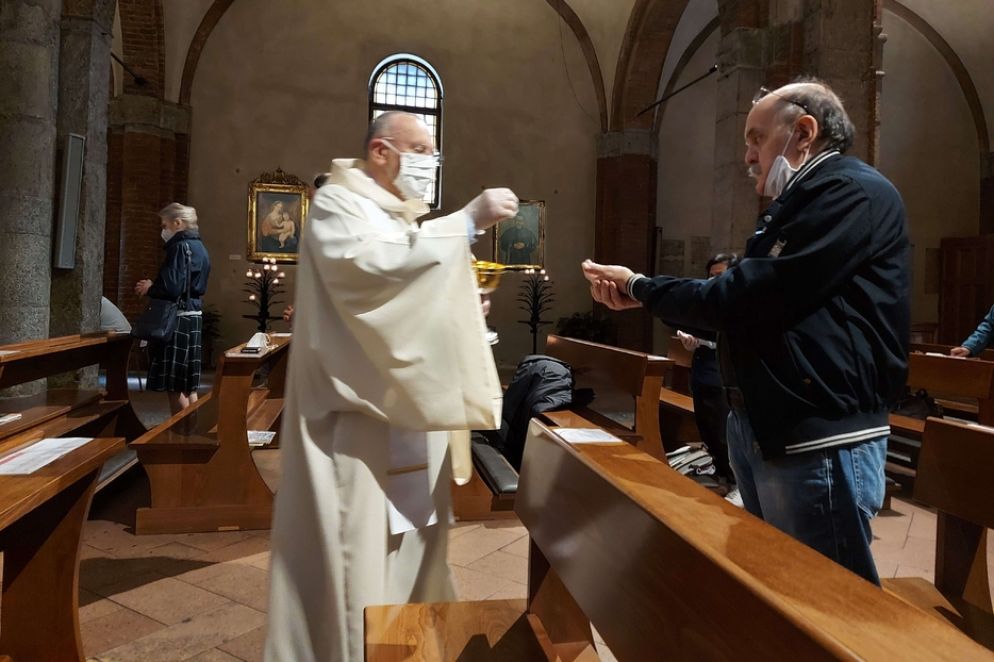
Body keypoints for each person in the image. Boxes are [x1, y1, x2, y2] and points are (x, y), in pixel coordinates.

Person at [581, 78, 909, 585]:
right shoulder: (800, 202)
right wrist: (644, 292)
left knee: (825, 602)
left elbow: (744, 297)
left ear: (804, 132)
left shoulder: (848, 191)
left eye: (756, 138)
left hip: (816, 431)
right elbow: (742, 300)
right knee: (776, 591)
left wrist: (642, 286)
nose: (748, 157)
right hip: (768, 423)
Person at [264, 111, 518, 661]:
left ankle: (404, 645)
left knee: (409, 554)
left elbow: (409, 293)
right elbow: (371, 277)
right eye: (423, 149)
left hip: (401, 419)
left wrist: (457, 300)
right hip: (354, 430)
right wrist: (466, 220)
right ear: (381, 151)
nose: (431, 162)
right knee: (358, 560)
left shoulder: (394, 213)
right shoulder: (338, 204)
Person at [135, 203, 212, 414]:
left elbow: (172, 286)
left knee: (175, 383)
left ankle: (180, 434)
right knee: (188, 384)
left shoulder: (179, 247)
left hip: (177, 318)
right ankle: (191, 429)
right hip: (193, 314)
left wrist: (152, 287)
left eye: (165, 225)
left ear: (177, 223)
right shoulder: (200, 247)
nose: (163, 230)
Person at [675, 253, 740, 498]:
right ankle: (721, 473)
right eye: (711, 276)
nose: (714, 281)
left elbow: (730, 341)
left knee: (723, 430)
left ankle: (736, 481)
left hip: (723, 374)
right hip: (702, 368)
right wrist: (690, 342)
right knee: (706, 425)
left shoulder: (736, 302)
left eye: (720, 276)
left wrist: (703, 340)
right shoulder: (708, 302)